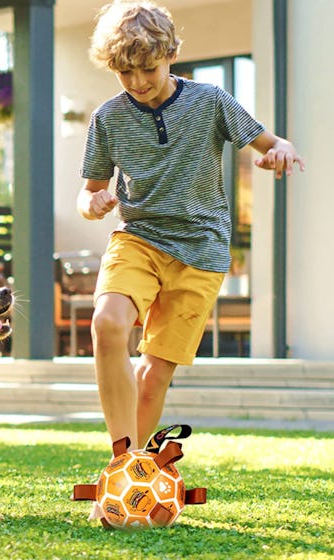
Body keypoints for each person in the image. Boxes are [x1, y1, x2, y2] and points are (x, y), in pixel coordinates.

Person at [77, 0, 305, 451]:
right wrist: (94, 201)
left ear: (170, 55)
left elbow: (275, 142)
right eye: (125, 73)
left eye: (147, 69)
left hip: (201, 251)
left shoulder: (211, 101)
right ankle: (120, 466)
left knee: (152, 378)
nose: (138, 83)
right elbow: (88, 193)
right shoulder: (109, 117)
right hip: (138, 239)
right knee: (107, 324)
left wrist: (279, 152)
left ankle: (133, 473)